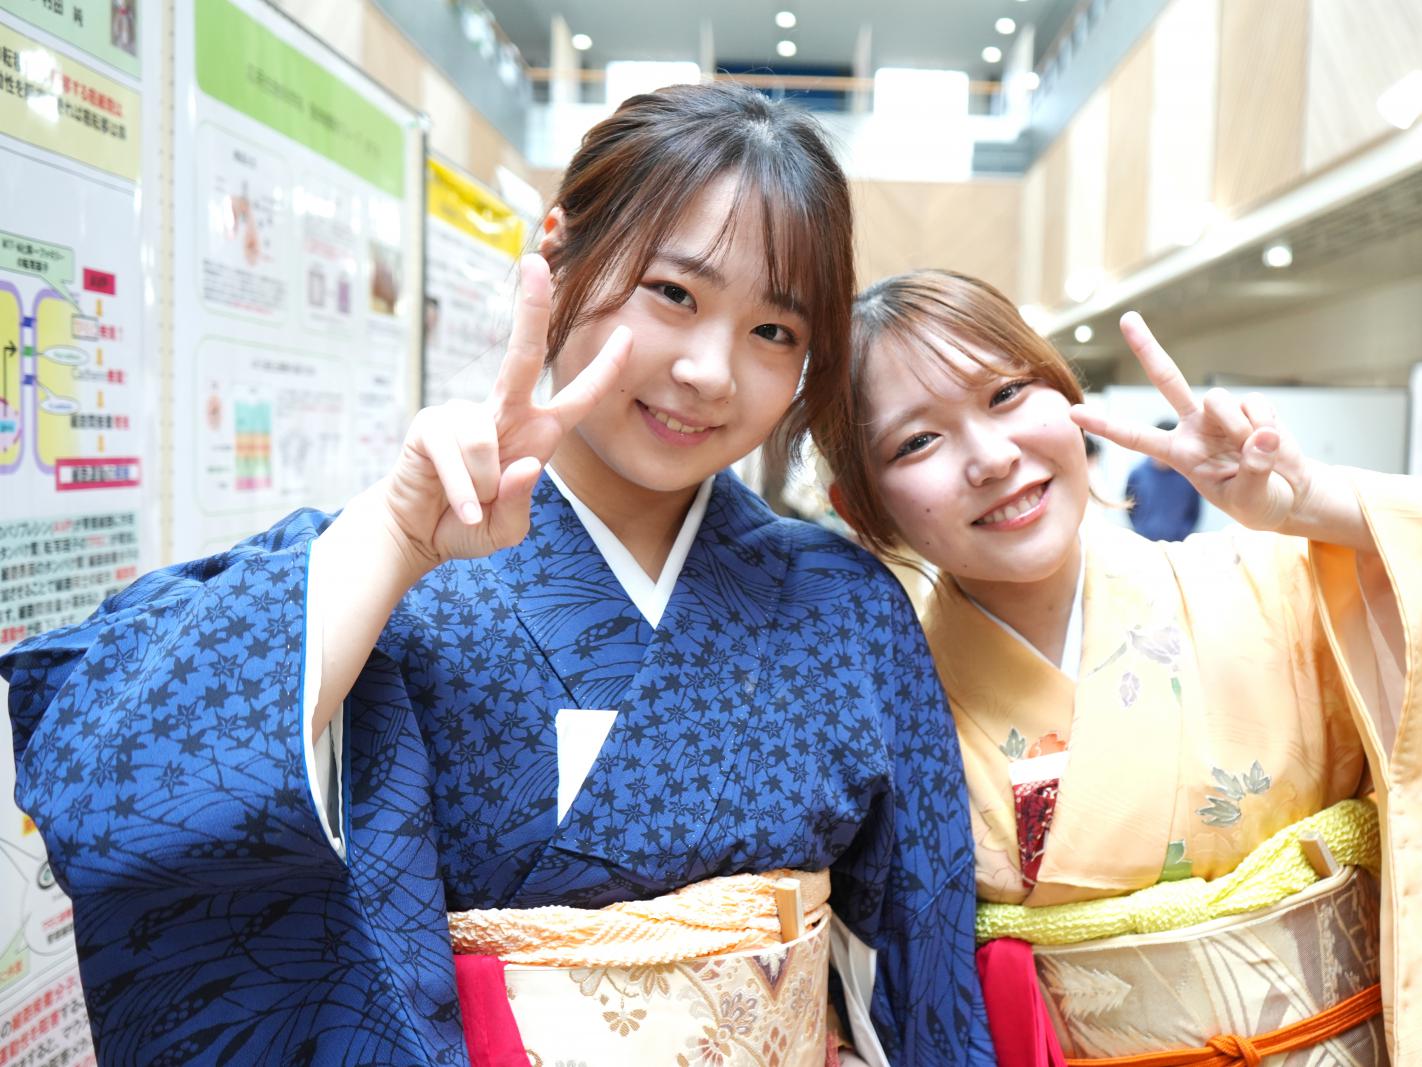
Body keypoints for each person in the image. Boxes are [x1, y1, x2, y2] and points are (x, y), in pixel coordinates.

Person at [3, 88, 992, 1066]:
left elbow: (924, 969)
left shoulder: (844, 606)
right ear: (556, 253)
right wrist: (397, 537)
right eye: (674, 293)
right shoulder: (388, 570)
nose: (710, 370)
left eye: (773, 331)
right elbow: (109, 793)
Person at [812, 268, 1422, 1066]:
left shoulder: (1275, 586)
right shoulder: (881, 707)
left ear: (1065, 394)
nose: (990, 457)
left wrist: (1313, 503)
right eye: (917, 441)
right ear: (861, 507)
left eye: (1007, 393)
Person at [1123, 419, 1201, 540]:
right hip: (1144, 543)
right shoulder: (1138, 474)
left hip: (1177, 545)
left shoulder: (1188, 476)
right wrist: (1141, 529)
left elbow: (1194, 511)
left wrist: (1183, 533)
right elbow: (1129, 506)